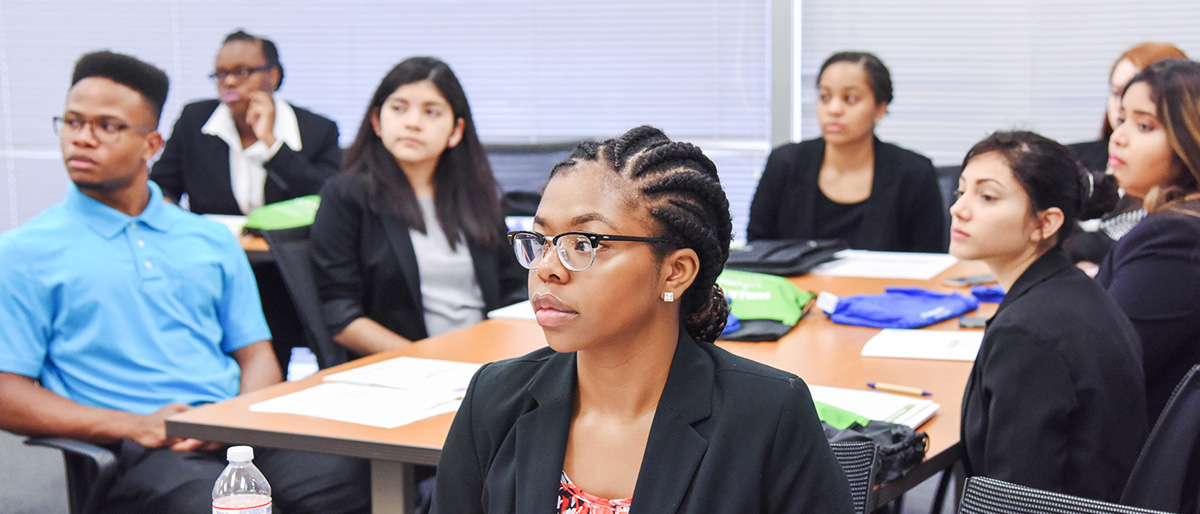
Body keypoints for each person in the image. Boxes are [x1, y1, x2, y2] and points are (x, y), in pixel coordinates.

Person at [0, 50, 369, 513]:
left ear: (151, 145)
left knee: (353, 477)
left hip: (230, 429)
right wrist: (135, 426)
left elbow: (256, 355)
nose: (82, 139)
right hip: (136, 448)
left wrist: (232, 421)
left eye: (107, 126)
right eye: (72, 123)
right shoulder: (25, 251)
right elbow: (7, 393)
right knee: (225, 505)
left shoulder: (210, 239)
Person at [431, 126, 854, 513]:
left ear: (675, 272)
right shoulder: (495, 398)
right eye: (541, 241)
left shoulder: (769, 416)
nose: (547, 267)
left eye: (584, 243)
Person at [951, 130, 1147, 501]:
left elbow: (1017, 498)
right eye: (962, 191)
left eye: (987, 196)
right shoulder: (1072, 291)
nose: (958, 208)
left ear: (1046, 223)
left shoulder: (1027, 335)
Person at [310, 57, 526, 357]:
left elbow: (515, 288)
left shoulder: (478, 196)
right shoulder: (347, 196)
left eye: (431, 112)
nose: (412, 122)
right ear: (377, 121)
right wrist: (424, 359)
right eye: (398, 108)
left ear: (456, 131)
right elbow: (340, 314)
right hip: (404, 371)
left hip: (485, 364)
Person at [748, 51, 945, 252]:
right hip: (795, 284)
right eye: (825, 97)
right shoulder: (784, 163)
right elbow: (757, 247)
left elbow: (929, 258)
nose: (833, 109)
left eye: (849, 99)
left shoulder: (914, 173)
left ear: (880, 109)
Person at [1099, 58, 1200, 427]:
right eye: (1121, 118)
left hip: (1130, 464)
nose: (1119, 136)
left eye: (1144, 125)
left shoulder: (1177, 236)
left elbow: (1102, 366)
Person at [150, 29, 341, 215]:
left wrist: (272, 144)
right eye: (221, 74)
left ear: (273, 76)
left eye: (242, 72)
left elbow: (328, 201)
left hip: (288, 246)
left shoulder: (319, 130)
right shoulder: (194, 120)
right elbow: (161, 188)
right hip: (211, 243)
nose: (230, 82)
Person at [1064, 42, 1188, 263]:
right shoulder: (1073, 158)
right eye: (1115, 92)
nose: (1120, 107)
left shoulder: (1174, 226)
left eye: (1144, 125)